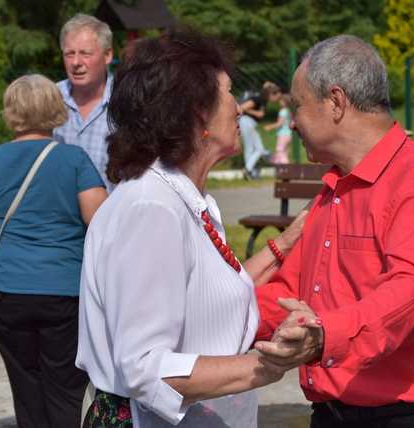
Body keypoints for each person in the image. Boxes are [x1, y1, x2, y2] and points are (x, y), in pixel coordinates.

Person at [77, 30, 308, 428]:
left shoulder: (182, 198)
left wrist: (286, 243)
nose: (238, 108)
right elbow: (145, 367)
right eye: (229, 93)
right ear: (197, 113)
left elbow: (204, 292)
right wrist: (265, 366)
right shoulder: (153, 211)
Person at [253, 35, 414, 427]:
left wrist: (325, 335)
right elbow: (288, 292)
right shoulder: (334, 189)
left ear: (336, 102)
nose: (291, 120)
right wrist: (216, 315)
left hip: (410, 416)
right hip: (333, 412)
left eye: (298, 105)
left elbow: (411, 295)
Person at [0, 74, 108, 428]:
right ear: (56, 110)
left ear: (10, 112)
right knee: (67, 388)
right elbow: (99, 217)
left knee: (25, 387)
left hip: (5, 290)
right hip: (63, 290)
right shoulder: (73, 160)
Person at [54, 13, 115, 192]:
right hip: (58, 217)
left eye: (85, 54)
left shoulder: (128, 104)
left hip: (110, 217)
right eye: (69, 54)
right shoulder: (49, 99)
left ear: (108, 55)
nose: (76, 62)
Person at [238, 81, 281, 179]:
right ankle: (248, 170)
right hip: (246, 122)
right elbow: (242, 107)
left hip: (249, 123)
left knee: (252, 148)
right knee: (257, 149)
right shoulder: (258, 98)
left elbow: (266, 84)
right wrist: (257, 113)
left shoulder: (263, 99)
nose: (277, 99)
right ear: (270, 94)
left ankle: (249, 171)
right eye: (276, 96)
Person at [263, 93, 293, 164]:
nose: (279, 102)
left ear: (284, 102)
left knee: (280, 151)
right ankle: (284, 168)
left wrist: (270, 127)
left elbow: (280, 123)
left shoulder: (282, 112)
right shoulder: (289, 111)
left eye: (281, 101)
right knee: (285, 152)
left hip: (283, 134)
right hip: (289, 134)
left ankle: (286, 168)